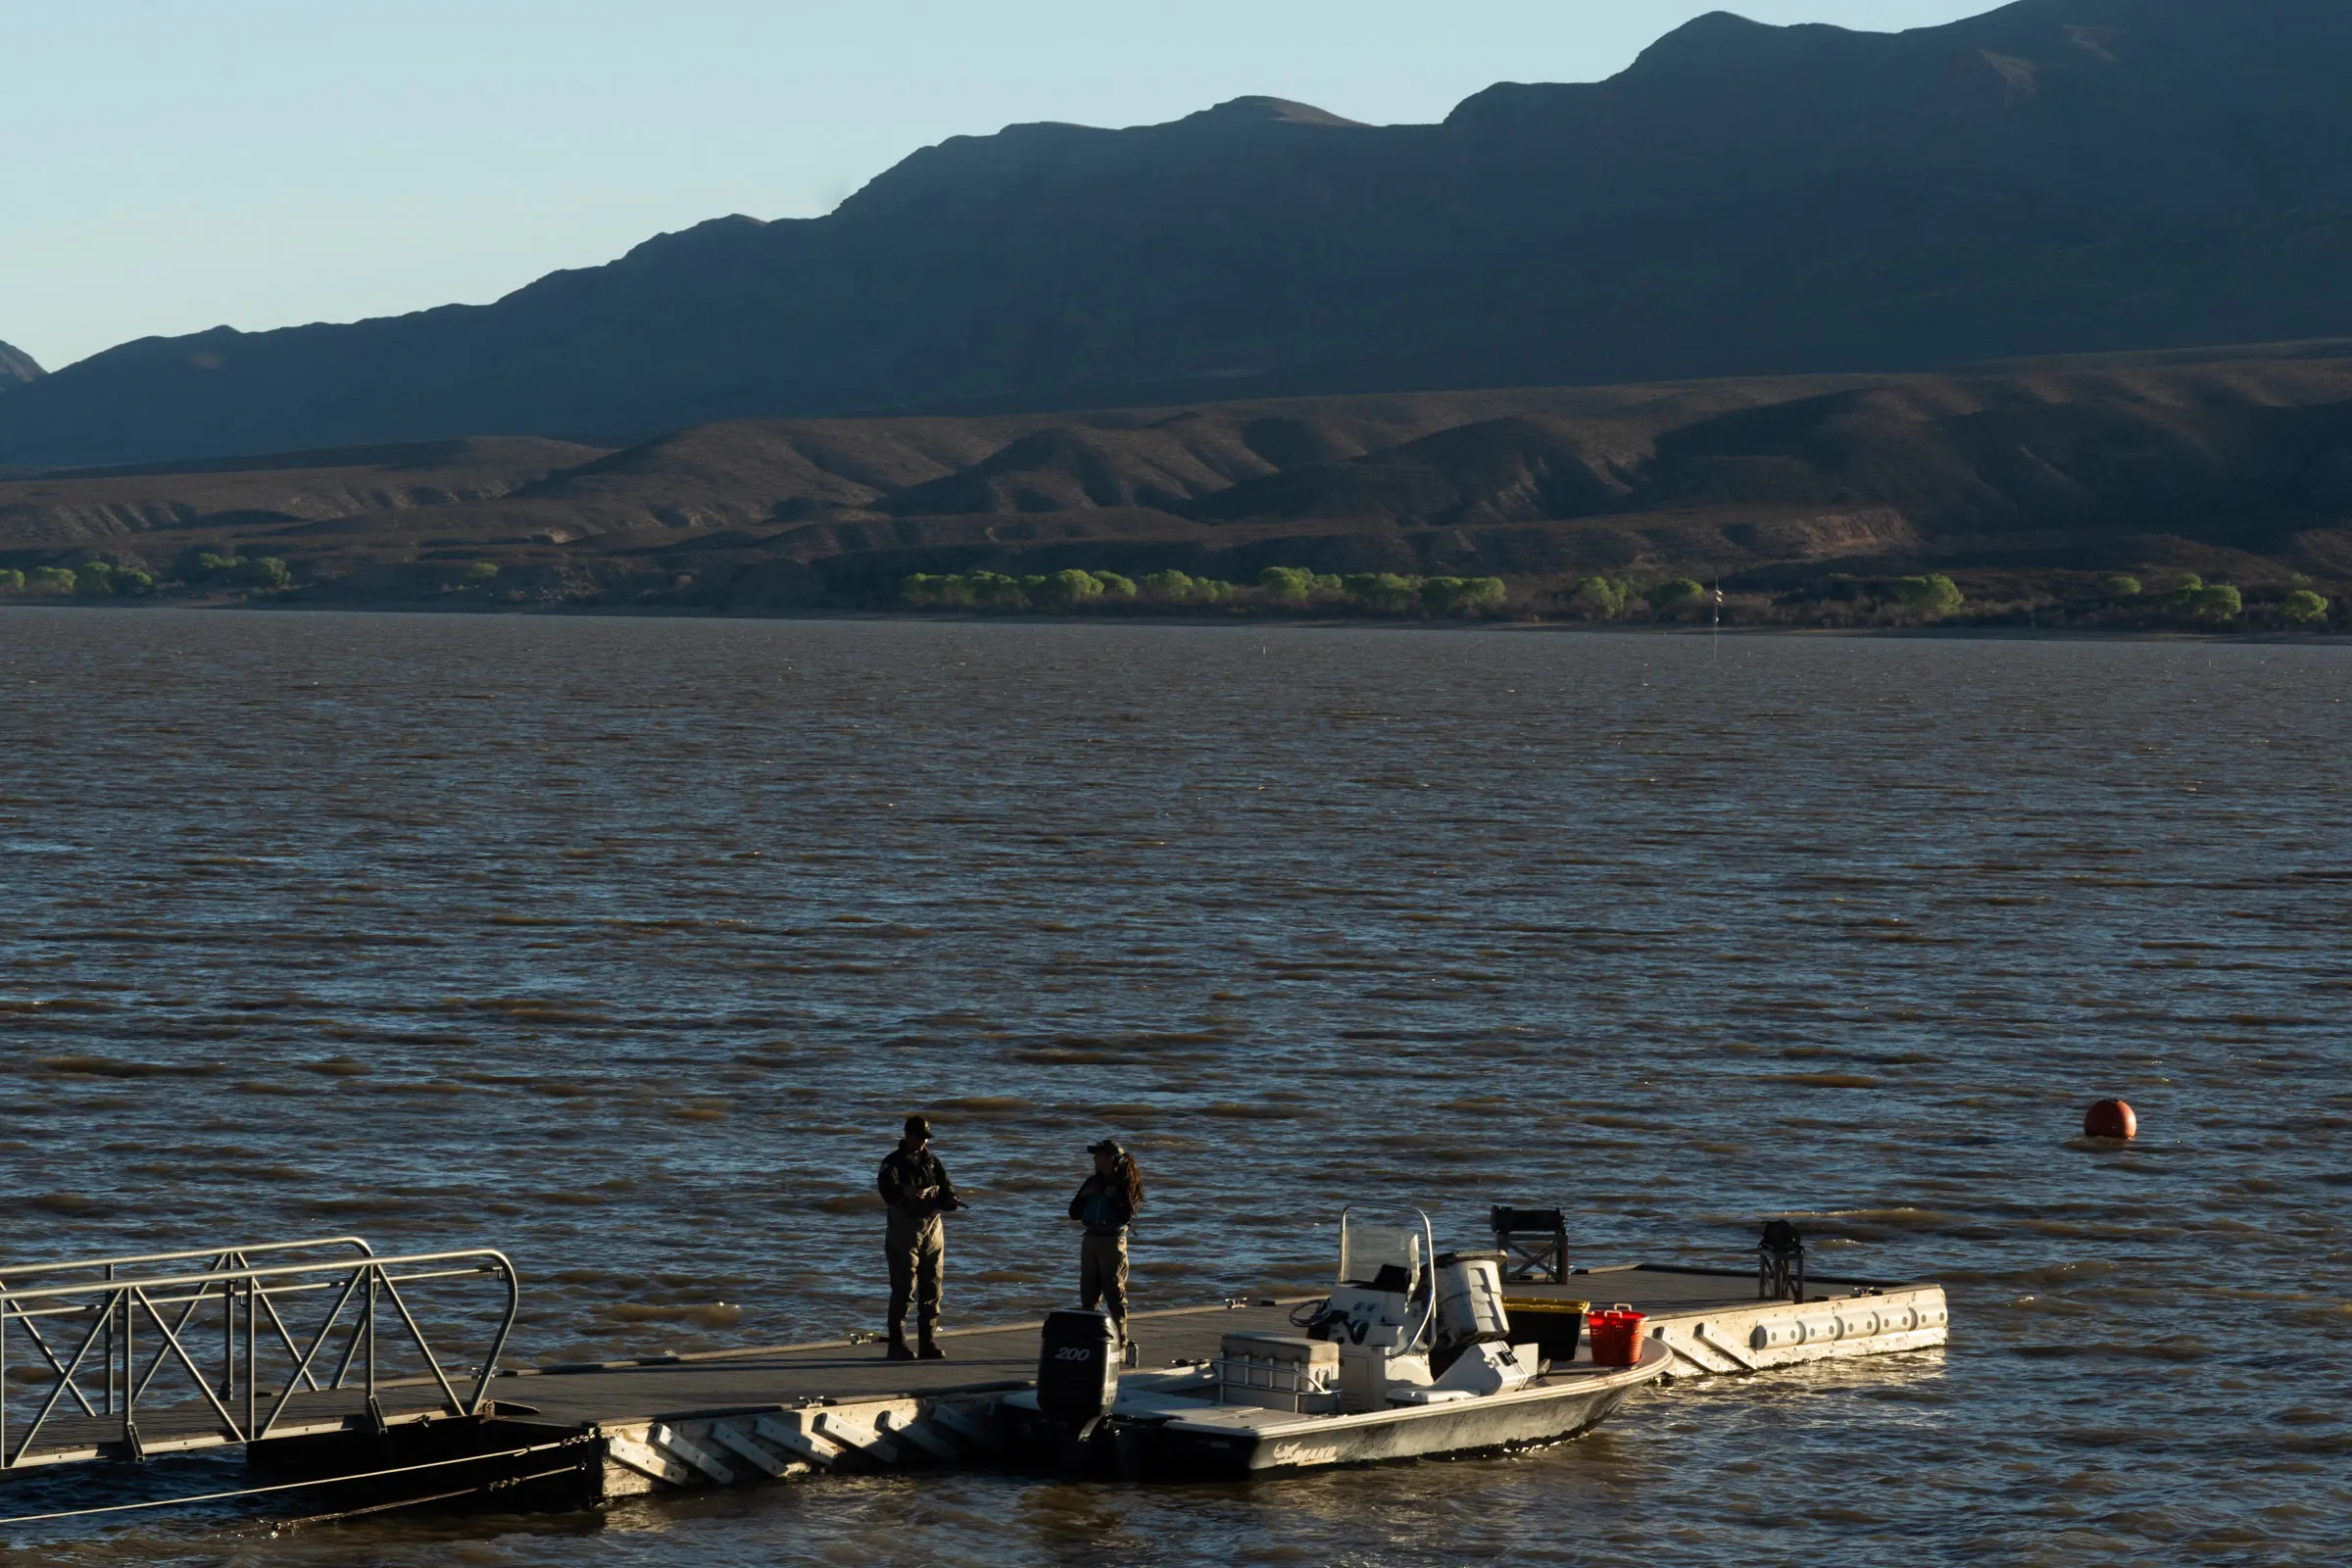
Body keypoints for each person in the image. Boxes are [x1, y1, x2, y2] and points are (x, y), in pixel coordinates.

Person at [877, 1113, 962, 1360]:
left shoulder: (932, 1161)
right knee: (904, 1286)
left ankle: (928, 1342)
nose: (924, 1142)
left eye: (926, 1138)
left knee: (933, 1284)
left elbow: (947, 1188)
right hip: (904, 1229)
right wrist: (904, 1192)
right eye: (920, 1137)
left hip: (933, 1227)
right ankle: (897, 1344)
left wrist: (951, 1199)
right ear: (908, 1135)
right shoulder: (891, 1163)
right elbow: (887, 1192)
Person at [1067, 1138, 1144, 1342]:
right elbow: (1073, 1213)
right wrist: (1084, 1197)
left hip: (1112, 1241)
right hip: (1091, 1238)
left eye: (1099, 1156)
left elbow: (1127, 1215)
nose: (1095, 1159)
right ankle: (1091, 1336)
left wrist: (1113, 1198)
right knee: (1088, 1292)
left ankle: (1120, 1338)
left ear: (1112, 1160)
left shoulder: (1125, 1183)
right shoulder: (1092, 1182)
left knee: (1114, 1291)